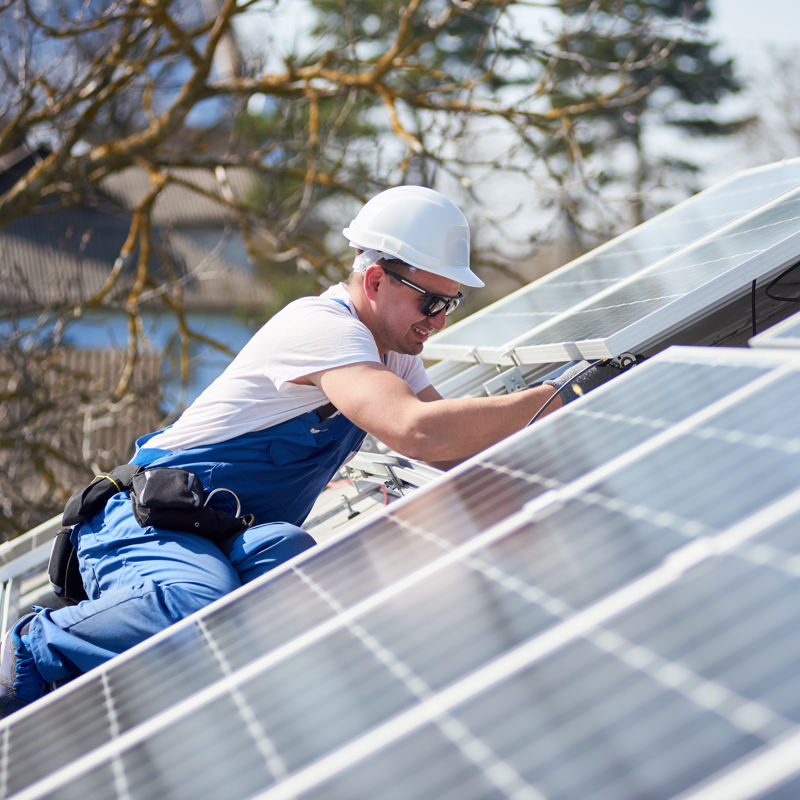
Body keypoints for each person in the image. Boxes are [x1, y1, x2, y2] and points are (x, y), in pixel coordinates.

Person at [0, 185, 609, 718]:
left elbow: (449, 450)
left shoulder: (392, 348)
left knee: (298, 571)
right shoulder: (324, 328)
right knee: (195, 601)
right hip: (141, 522)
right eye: (431, 302)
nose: (439, 321)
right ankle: (23, 656)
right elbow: (414, 430)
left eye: (450, 305)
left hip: (219, 529)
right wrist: (554, 400)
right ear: (376, 280)